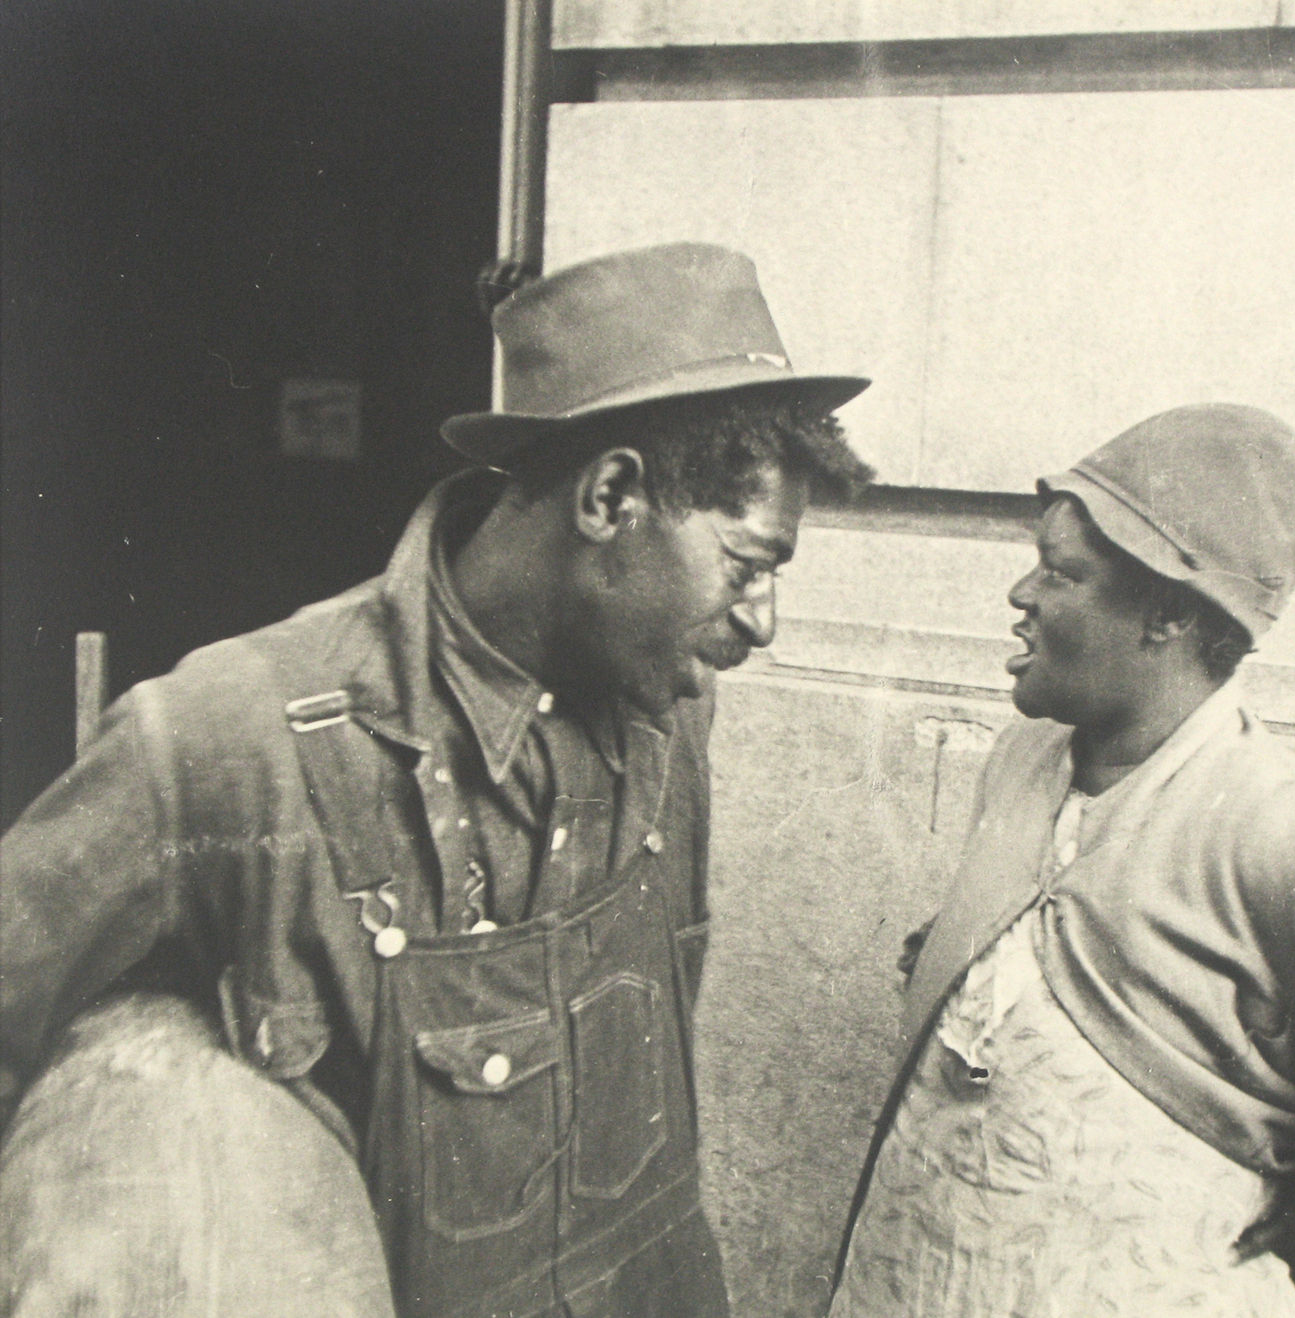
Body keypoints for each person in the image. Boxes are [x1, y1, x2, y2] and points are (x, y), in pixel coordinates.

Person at [0, 242, 873, 1317]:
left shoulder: (669, 722)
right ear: (610, 497)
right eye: (747, 566)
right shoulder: (223, 741)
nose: (762, 622)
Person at [829, 404, 1295, 1318]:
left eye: (1061, 573)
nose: (1021, 596)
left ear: (1166, 617)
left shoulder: (1293, 829)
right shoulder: (1023, 761)